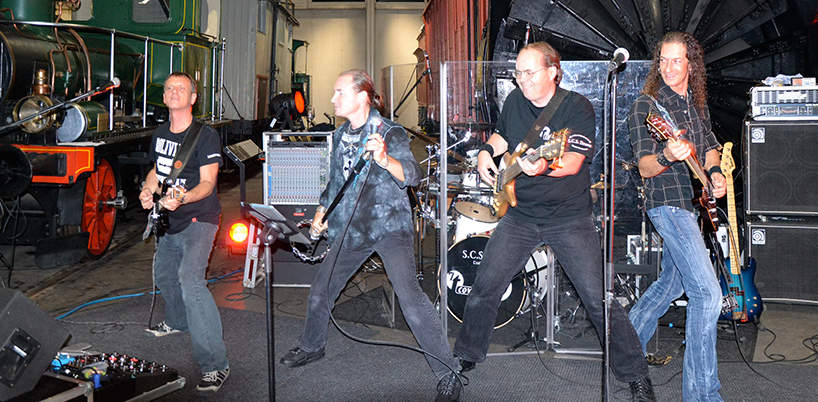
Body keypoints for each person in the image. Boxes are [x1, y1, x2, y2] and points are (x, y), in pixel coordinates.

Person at [453, 42, 655, 402]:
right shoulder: (515, 101)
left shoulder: (577, 106)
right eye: (518, 72)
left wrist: (543, 166)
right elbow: (503, 135)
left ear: (553, 71)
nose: (523, 79)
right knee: (485, 287)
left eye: (530, 72)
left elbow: (573, 162)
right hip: (520, 215)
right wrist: (486, 151)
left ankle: (636, 375)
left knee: (598, 299)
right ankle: (464, 358)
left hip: (568, 217)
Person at [280, 69, 464, 402]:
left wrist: (384, 158)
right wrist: (321, 213)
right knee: (321, 290)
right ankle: (312, 345)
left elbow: (412, 175)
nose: (333, 98)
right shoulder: (339, 135)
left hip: (389, 228)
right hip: (352, 228)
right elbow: (335, 184)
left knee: (410, 300)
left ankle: (448, 372)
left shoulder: (390, 132)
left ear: (362, 96)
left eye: (340, 92)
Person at [627, 31, 727, 402]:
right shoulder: (647, 106)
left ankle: (624, 351)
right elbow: (645, 167)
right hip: (667, 204)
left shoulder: (696, 104)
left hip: (691, 205)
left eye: (676, 60)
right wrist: (668, 154)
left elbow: (710, 146)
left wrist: (714, 174)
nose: (668, 67)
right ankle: (702, 395)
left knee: (672, 285)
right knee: (708, 294)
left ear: (691, 64)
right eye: (663, 60)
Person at [139, 71, 229, 394]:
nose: (174, 92)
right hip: (169, 220)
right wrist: (148, 190)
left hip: (199, 218)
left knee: (190, 281)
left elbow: (208, 184)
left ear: (193, 98)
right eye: (169, 88)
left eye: (182, 88)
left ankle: (216, 364)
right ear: (164, 98)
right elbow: (157, 170)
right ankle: (178, 321)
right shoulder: (160, 133)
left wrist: (183, 198)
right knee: (164, 275)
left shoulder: (205, 136)